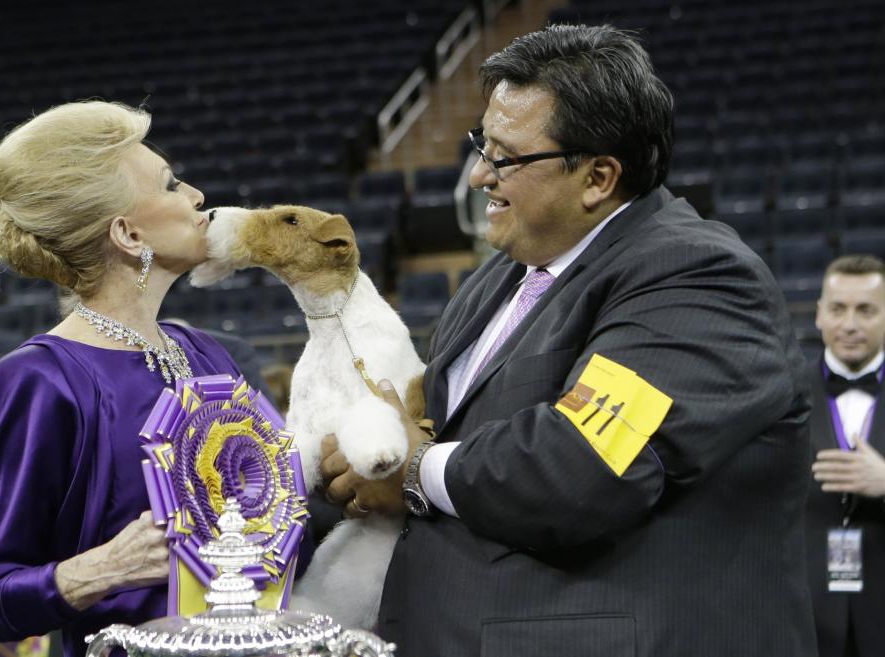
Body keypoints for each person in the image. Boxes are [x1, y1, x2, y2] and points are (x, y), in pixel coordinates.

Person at [320, 24, 817, 657]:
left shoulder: (697, 277)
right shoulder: (499, 278)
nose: (478, 176)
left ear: (598, 177)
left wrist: (414, 468)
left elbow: (581, 465)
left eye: (506, 157)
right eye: (481, 145)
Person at [0, 101, 250, 657]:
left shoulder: (209, 353)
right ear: (127, 233)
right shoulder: (40, 380)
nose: (195, 196)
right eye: (170, 185)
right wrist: (105, 568)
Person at [807, 255, 885, 657]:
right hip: (808, 615)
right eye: (838, 309)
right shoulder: (783, 393)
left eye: (866, 310)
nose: (850, 324)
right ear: (819, 314)